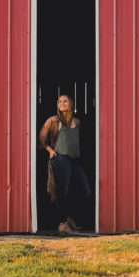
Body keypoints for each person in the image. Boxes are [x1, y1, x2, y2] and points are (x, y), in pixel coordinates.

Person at [38, 93, 92, 235]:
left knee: (85, 190)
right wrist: (50, 150)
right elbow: (41, 139)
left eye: (65, 101)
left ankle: (68, 218)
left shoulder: (77, 122)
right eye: (60, 101)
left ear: (70, 104)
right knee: (62, 192)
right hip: (60, 159)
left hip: (74, 159)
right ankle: (62, 224)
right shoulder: (53, 121)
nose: (62, 103)